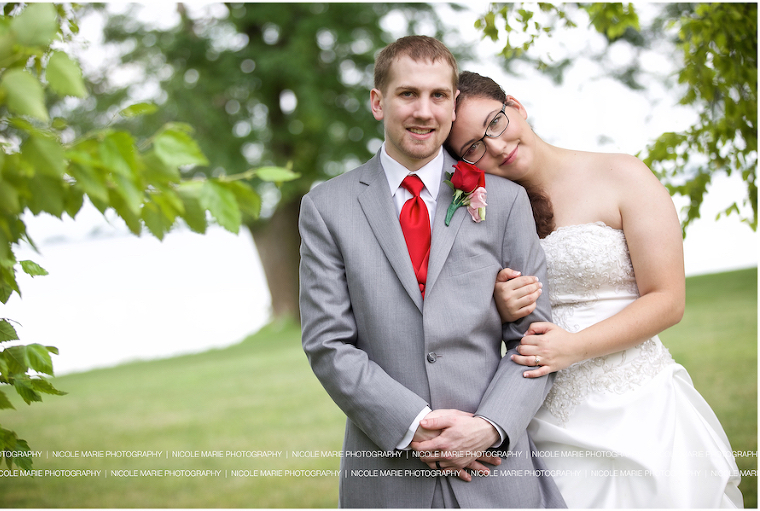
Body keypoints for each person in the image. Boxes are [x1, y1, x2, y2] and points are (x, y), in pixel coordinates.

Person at [444, 70, 744, 508]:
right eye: (473, 147)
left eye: (495, 123)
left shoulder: (620, 173)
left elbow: (667, 300)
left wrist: (575, 347)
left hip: (640, 404)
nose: (496, 146)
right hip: (544, 412)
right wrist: (500, 306)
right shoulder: (481, 214)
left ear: (516, 107)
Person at [299, 37, 565, 508]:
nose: (424, 111)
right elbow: (328, 343)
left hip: (496, 472)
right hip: (387, 474)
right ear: (378, 102)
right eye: (408, 94)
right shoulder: (327, 208)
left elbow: (535, 339)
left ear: (452, 104)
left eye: (438, 96)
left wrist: (489, 427)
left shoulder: (502, 201)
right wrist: (415, 425)